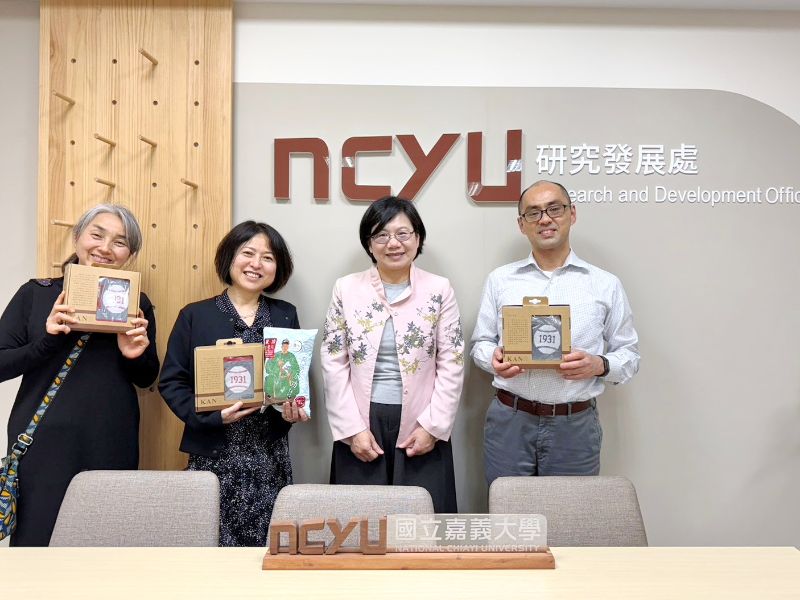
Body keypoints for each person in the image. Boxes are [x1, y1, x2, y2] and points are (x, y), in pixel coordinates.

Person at [0, 204, 158, 546]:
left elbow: (147, 378)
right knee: (36, 542)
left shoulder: (136, 302)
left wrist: (135, 355)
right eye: (97, 234)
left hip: (111, 439)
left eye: (120, 242)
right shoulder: (37, 293)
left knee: (105, 545)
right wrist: (47, 341)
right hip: (44, 441)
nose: (105, 248)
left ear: (129, 254)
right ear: (77, 237)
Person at [472, 180, 640, 484]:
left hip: (574, 424)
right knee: (510, 521)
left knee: (570, 521)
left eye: (554, 209)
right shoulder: (501, 280)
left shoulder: (604, 284)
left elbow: (629, 355)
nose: (545, 219)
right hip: (510, 420)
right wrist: (492, 358)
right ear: (521, 225)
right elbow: (481, 343)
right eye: (533, 213)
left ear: (572, 214)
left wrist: (599, 365)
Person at [159, 221, 308, 546]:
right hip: (213, 454)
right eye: (248, 253)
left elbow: (291, 376)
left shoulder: (285, 314)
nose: (256, 264)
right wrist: (212, 417)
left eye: (268, 257)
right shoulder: (195, 315)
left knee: (267, 551)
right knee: (210, 546)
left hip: (267, 456)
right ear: (230, 257)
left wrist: (293, 408)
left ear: (277, 268)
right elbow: (171, 382)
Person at [321, 196, 464, 512]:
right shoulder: (346, 288)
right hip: (361, 419)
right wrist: (351, 429)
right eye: (381, 235)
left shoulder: (439, 289)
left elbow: (452, 361)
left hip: (421, 419)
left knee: (421, 524)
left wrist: (433, 426)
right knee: (360, 525)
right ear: (369, 244)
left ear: (418, 238)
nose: (393, 243)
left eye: (403, 233)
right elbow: (333, 360)